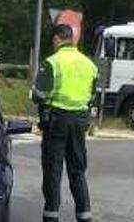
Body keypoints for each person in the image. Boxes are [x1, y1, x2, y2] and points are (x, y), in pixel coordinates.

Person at [31, 24, 99, 222]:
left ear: (56, 39)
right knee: (77, 170)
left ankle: (51, 216)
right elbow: (92, 94)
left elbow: (40, 95)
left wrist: (33, 94)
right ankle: (85, 216)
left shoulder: (52, 62)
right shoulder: (89, 65)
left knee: (53, 170)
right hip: (80, 121)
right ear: (72, 39)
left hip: (56, 121)